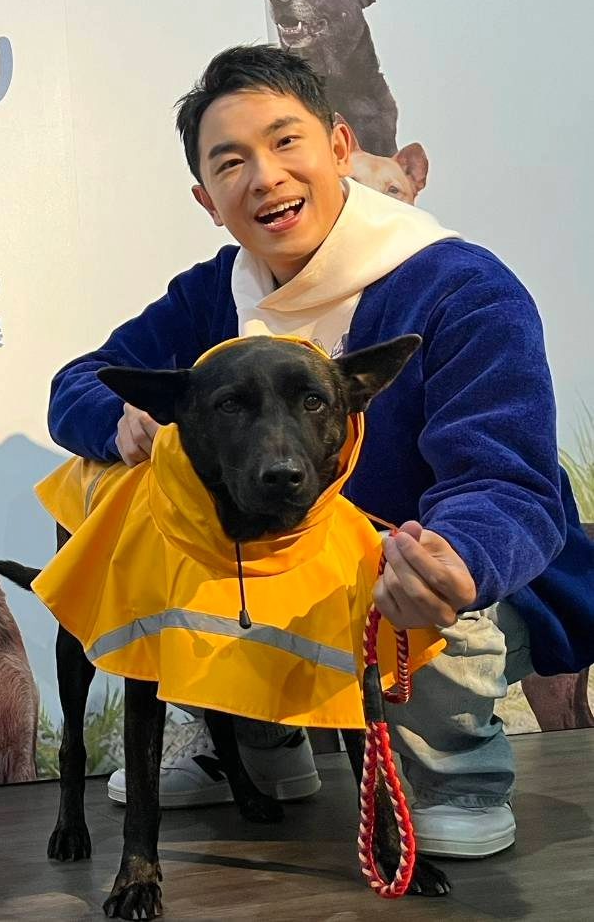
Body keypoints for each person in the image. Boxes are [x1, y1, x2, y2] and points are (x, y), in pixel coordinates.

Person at [47, 44, 594, 858]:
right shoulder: (213, 293)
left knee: (413, 583)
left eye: (284, 142)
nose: (264, 177)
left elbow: (506, 479)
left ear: (340, 146)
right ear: (206, 199)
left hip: (438, 567)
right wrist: (114, 418)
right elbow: (77, 382)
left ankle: (455, 773)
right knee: (172, 548)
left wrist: (460, 557)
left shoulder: (458, 287)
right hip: (283, 566)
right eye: (230, 162)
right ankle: (260, 746)